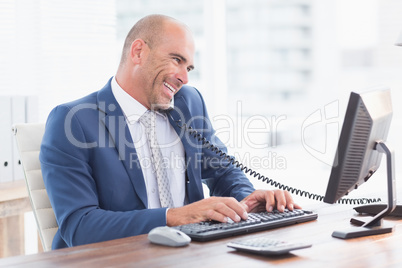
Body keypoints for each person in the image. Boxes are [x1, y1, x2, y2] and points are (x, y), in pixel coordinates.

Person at [40, 14, 301, 250]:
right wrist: (175, 216)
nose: (185, 78)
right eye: (177, 59)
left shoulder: (188, 102)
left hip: (188, 255)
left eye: (188, 68)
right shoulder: (73, 121)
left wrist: (246, 199)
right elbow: (80, 227)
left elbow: (223, 170)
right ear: (138, 52)